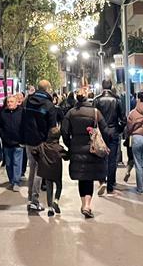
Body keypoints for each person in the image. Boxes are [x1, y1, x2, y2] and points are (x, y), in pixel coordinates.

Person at [61, 88, 111, 219]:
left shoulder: (71, 113)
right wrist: (105, 143)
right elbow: (105, 131)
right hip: (92, 149)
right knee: (89, 178)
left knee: (82, 178)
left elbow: (64, 131)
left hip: (76, 149)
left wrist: (70, 144)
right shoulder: (95, 112)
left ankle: (83, 204)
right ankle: (88, 205)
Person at [20, 79, 56, 213]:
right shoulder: (49, 105)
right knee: (39, 171)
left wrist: (22, 137)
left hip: (28, 140)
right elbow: (52, 128)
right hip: (42, 141)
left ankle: (30, 199)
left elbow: (22, 120)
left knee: (32, 168)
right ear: (47, 89)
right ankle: (34, 201)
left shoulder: (27, 101)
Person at [92, 79, 125, 195]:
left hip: (101, 133)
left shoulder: (97, 100)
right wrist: (119, 129)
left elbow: (92, 117)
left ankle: (102, 181)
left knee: (100, 157)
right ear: (111, 86)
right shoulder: (117, 99)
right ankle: (110, 185)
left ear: (102, 87)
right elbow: (123, 118)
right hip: (113, 131)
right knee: (112, 159)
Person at [32, 125, 66, 217]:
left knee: (49, 189)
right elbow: (66, 157)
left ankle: (50, 208)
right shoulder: (59, 148)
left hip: (46, 171)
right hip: (57, 171)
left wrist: (39, 160)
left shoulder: (42, 146)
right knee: (59, 186)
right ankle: (56, 201)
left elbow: (33, 151)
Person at [0, 93, 25, 191]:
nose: (9, 103)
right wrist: (1, 135)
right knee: (8, 163)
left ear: (16, 103)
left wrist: (24, 139)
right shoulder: (3, 112)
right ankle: (12, 180)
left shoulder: (22, 112)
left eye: (11, 102)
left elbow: (26, 126)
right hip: (6, 142)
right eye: (8, 102)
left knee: (17, 163)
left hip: (18, 142)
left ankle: (16, 182)